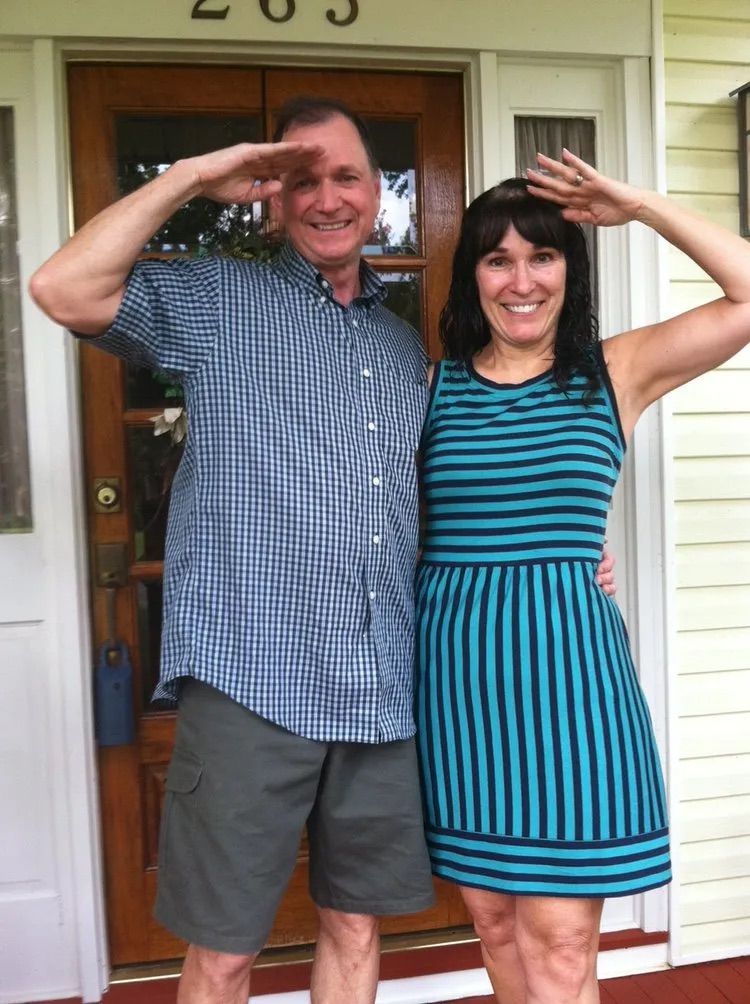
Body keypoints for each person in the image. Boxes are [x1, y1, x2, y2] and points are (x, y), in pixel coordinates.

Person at [29, 98, 615, 1004]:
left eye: (347, 176)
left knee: (354, 926)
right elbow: (63, 290)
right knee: (224, 949)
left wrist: (570, 553)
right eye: (303, 180)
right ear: (272, 197)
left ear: (377, 191)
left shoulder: (397, 343)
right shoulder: (220, 298)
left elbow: (439, 495)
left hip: (382, 685)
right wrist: (190, 177)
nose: (329, 199)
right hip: (252, 674)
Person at [415, 149, 750, 1004]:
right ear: (473, 277)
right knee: (493, 926)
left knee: (562, 944)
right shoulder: (431, 387)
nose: (520, 280)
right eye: (498, 258)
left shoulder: (614, 371)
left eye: (543, 254)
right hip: (458, 688)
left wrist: (636, 204)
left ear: (572, 268)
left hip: (571, 689)